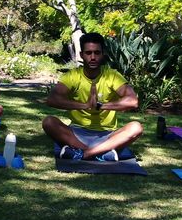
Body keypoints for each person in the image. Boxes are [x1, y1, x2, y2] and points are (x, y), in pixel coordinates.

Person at [43, 32, 143, 161]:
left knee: (136, 127)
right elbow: (52, 99)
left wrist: (101, 106)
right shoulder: (72, 76)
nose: (93, 57)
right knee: (49, 122)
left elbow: (133, 101)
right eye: (88, 53)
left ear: (103, 54)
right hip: (77, 134)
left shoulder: (112, 75)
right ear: (81, 55)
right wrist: (84, 105)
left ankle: (84, 154)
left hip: (107, 136)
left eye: (97, 53)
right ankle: (100, 154)